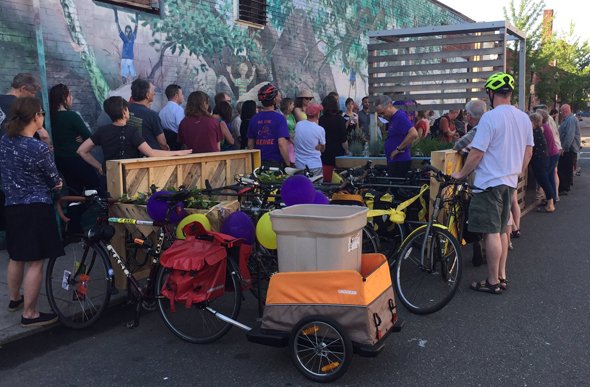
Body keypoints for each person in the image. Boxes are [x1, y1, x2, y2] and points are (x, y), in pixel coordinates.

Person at [451, 72, 533, 295]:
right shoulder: (523, 117)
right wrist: (517, 172)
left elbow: (476, 153)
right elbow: (528, 151)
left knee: (491, 233)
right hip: (509, 182)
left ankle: (492, 281)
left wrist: (460, 174)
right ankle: (501, 275)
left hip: (488, 184)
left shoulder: (490, 118)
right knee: (502, 230)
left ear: (491, 93)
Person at [0, 96, 63, 327]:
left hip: (12, 206)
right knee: (35, 262)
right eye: (41, 114)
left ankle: (15, 299)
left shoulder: (5, 142)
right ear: (36, 117)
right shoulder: (38, 148)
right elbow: (55, 181)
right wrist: (45, 141)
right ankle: (31, 313)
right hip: (36, 208)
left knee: (16, 256)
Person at [77, 96, 191, 175]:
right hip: (131, 176)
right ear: (125, 111)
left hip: (110, 176)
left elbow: (81, 150)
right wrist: (178, 152)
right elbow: (151, 153)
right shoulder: (132, 131)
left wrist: (99, 167)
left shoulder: (102, 131)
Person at [452, 99, 487, 267]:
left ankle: (479, 251)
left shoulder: (478, 129)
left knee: (476, 217)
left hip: (481, 180)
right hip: (504, 179)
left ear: (470, 115)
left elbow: (458, 145)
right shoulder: (493, 125)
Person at [49, 83, 100, 195]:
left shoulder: (49, 118)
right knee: (96, 188)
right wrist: (83, 138)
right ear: (63, 98)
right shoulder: (71, 116)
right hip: (77, 160)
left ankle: (72, 212)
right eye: (69, 95)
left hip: (60, 161)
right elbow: (90, 138)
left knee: (74, 192)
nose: (71, 98)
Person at [374, 95, 419, 178]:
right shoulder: (392, 118)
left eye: (382, 112)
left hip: (400, 160)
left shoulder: (400, 116)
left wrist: (398, 149)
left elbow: (413, 133)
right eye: (380, 114)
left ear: (389, 105)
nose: (382, 115)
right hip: (394, 160)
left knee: (396, 188)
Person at [247, 83, 290, 167]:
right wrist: (288, 163)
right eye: (278, 97)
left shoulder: (254, 119)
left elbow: (250, 144)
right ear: (274, 100)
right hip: (275, 163)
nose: (280, 99)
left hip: (258, 162)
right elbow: (282, 143)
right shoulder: (280, 118)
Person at [0, 73, 49, 144]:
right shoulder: (23, 107)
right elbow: (43, 135)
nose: (33, 96)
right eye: (32, 93)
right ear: (23, 89)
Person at [128, 79, 169, 151]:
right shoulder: (152, 115)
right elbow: (162, 143)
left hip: (131, 152)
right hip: (149, 156)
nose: (154, 93)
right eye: (153, 91)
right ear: (147, 95)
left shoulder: (125, 110)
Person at [529, 112, 555, 213]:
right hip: (544, 157)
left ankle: (551, 203)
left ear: (533, 121)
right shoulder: (539, 129)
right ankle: (551, 201)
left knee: (543, 180)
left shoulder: (534, 131)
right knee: (545, 180)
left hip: (539, 159)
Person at [319, 96, 348, 182]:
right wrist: (347, 151)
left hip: (325, 154)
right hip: (338, 155)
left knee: (326, 181)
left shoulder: (321, 119)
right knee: (338, 181)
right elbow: (344, 140)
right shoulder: (340, 119)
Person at [294, 103, 326, 178]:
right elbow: (323, 149)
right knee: (315, 188)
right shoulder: (320, 129)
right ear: (318, 114)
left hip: (299, 165)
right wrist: (320, 146)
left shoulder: (298, 125)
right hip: (315, 165)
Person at [557, 104, 580, 195]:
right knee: (567, 168)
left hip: (569, 149)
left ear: (564, 111)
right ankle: (566, 185)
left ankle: (564, 188)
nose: (561, 113)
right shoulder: (569, 119)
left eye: (561, 111)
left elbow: (569, 135)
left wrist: (564, 148)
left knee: (564, 168)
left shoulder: (570, 120)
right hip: (569, 148)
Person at [114, 10, 138, 84]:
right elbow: (119, 29)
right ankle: (124, 85)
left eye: (129, 31)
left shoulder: (133, 37)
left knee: (133, 74)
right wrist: (116, 14)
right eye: (126, 31)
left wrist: (137, 16)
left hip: (130, 58)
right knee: (124, 74)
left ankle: (133, 85)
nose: (128, 32)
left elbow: (136, 27)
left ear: (130, 31)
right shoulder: (124, 37)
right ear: (125, 31)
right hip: (124, 58)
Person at [158, 84, 184, 151]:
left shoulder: (162, 111)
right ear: (176, 96)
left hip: (165, 144)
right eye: (181, 94)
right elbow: (182, 128)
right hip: (177, 145)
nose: (183, 96)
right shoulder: (179, 110)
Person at [280, 97, 296, 164]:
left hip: (293, 140)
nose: (293, 106)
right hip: (287, 141)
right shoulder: (281, 116)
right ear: (288, 105)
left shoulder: (292, 116)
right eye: (292, 104)